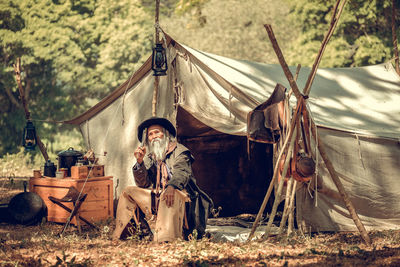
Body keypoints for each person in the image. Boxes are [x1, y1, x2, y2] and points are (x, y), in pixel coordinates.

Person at [113, 117, 213, 242]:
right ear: (147, 139)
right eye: (150, 134)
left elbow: (182, 173)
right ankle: (125, 236)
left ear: (165, 134)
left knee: (169, 193)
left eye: (157, 132)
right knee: (128, 191)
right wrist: (139, 162)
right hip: (159, 194)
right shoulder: (151, 157)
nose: (154, 136)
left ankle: (164, 239)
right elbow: (144, 184)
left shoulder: (180, 151)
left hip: (183, 195)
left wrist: (172, 186)